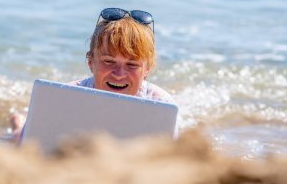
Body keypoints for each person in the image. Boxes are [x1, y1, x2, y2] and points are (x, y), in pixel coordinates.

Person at [11, 8, 175, 141]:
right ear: (91, 63)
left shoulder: (160, 104)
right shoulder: (66, 96)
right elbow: (29, 145)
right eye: (109, 61)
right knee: (19, 136)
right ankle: (18, 125)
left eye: (132, 64)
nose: (119, 74)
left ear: (148, 69)